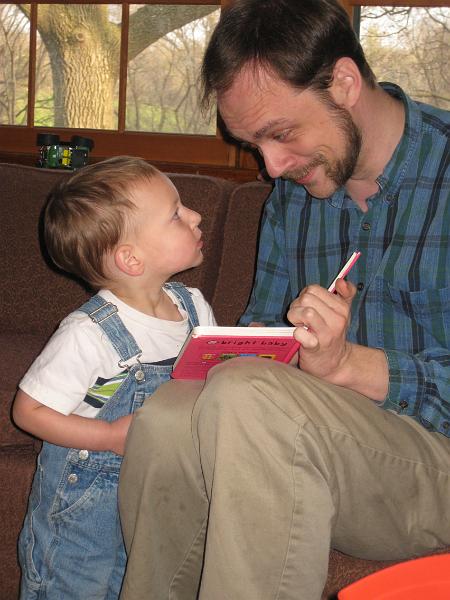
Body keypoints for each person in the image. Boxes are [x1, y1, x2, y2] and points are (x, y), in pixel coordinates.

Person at [118, 1, 450, 598]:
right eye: (253, 144)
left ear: (344, 83)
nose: (272, 167)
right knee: (169, 416)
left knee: (247, 397)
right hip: (330, 446)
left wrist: (348, 365)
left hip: (437, 464)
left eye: (281, 133)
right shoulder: (294, 197)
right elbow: (260, 341)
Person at [12, 155, 215, 600]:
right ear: (131, 258)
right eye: (176, 214)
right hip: (85, 507)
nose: (196, 215)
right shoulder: (89, 333)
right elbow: (29, 411)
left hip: (159, 492)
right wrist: (106, 435)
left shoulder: (195, 308)